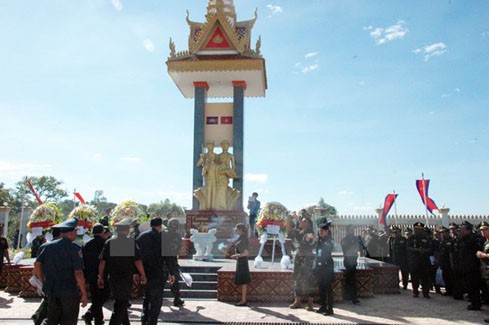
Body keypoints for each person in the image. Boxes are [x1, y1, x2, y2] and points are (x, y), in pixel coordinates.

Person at [33, 218, 88, 325]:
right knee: (69, 320)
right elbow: (78, 272)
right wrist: (84, 293)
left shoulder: (46, 246)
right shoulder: (74, 248)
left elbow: (37, 264)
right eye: (76, 231)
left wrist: (42, 281)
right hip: (69, 291)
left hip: (52, 289)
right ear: (71, 233)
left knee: (52, 319)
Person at [98, 217, 147, 325]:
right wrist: (142, 274)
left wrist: (100, 276)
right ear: (126, 230)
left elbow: (103, 261)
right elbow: (137, 260)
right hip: (125, 277)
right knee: (122, 302)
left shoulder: (109, 242)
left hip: (113, 277)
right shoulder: (129, 242)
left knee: (120, 300)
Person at [136, 217, 177, 325]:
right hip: (158, 272)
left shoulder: (141, 237)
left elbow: (135, 256)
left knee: (147, 296)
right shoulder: (164, 237)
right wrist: (172, 272)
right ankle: (152, 321)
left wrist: (136, 272)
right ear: (160, 226)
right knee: (156, 299)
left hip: (144, 272)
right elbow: (169, 256)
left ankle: (144, 319)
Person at [31, 227, 62, 325]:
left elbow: (38, 263)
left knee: (50, 300)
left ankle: (39, 317)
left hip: (47, 278)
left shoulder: (44, 246)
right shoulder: (59, 246)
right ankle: (41, 318)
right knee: (52, 301)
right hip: (56, 279)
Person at [82, 223, 111, 325]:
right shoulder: (106, 243)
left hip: (90, 275)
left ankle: (98, 320)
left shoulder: (86, 244)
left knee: (95, 297)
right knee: (104, 295)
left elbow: (83, 261)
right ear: (103, 232)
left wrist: (85, 276)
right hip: (103, 275)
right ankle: (90, 315)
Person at [286, 210, 316, 310]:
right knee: (297, 279)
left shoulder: (310, 233)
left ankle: (310, 302)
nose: (303, 222)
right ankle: (297, 301)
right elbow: (289, 229)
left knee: (309, 280)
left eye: (305, 221)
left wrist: (296, 218)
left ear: (309, 224)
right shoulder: (299, 232)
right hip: (299, 258)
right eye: (302, 221)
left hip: (308, 259)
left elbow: (308, 238)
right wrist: (288, 219)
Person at [314, 217, 335, 316]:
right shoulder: (320, 240)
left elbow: (326, 252)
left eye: (322, 230)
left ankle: (330, 309)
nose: (320, 232)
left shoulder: (329, 241)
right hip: (320, 267)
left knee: (328, 289)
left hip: (327, 267)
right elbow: (318, 253)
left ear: (327, 231)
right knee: (321, 287)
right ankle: (323, 306)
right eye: (319, 230)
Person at [406, 222, 432, 299]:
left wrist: (424, 250)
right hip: (414, 261)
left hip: (424, 261)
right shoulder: (411, 238)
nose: (417, 231)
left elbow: (430, 248)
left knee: (425, 278)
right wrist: (416, 250)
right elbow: (407, 248)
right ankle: (415, 291)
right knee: (414, 277)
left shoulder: (426, 238)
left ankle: (426, 293)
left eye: (419, 230)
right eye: (416, 229)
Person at [460, 220, 481, 310]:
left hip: (473, 268)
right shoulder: (464, 240)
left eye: (463, 230)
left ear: (468, 230)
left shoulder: (473, 240)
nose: (461, 231)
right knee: (469, 286)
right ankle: (473, 302)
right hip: (466, 267)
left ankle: (476, 304)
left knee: (474, 287)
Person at [165, 218, 185, 307]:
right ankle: (176, 298)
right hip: (172, 259)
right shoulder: (177, 236)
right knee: (175, 279)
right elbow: (178, 248)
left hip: (163, 259)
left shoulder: (163, 234)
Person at [341, 225, 362, 304]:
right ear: (347, 231)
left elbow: (359, 248)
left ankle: (349, 296)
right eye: (351, 230)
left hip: (353, 260)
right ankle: (353, 297)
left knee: (351, 278)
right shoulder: (344, 240)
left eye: (353, 230)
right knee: (350, 278)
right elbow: (346, 248)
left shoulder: (356, 239)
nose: (352, 231)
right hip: (348, 260)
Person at [230, 223, 250, 306]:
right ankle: (243, 299)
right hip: (240, 261)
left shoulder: (244, 239)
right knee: (242, 281)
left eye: (237, 230)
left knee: (243, 281)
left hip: (243, 262)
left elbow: (246, 253)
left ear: (241, 230)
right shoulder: (240, 238)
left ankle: (243, 300)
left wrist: (236, 255)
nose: (236, 231)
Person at [475, 221, 489, 323]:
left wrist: (483, 255)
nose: (482, 232)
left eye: (485, 229)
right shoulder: (486, 242)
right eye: (481, 230)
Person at [389, 226, 409, 290]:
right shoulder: (391, 239)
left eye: (396, 232)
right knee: (395, 273)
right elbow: (390, 250)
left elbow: (407, 250)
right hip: (395, 259)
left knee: (404, 273)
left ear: (400, 232)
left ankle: (405, 285)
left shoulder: (404, 240)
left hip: (403, 259)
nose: (395, 234)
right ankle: (396, 284)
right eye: (394, 232)